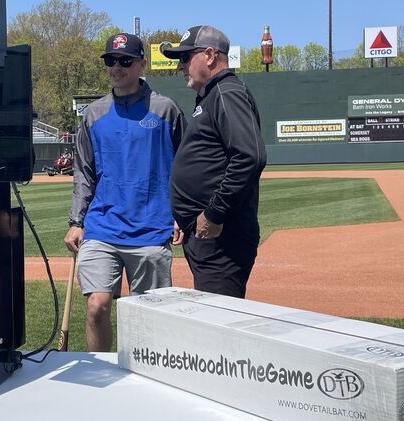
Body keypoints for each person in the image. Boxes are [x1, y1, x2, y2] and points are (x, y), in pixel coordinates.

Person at [64, 33, 185, 352]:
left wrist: (180, 215)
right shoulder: (93, 114)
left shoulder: (166, 110)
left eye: (125, 61)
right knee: (97, 306)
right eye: (110, 61)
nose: (116, 67)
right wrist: (76, 221)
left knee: (149, 317)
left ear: (142, 64)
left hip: (151, 229)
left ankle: (146, 382)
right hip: (102, 227)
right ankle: (102, 377)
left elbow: (185, 167)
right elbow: (84, 172)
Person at [162, 25, 267, 299]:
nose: (180, 67)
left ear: (210, 55)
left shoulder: (226, 92)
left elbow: (249, 156)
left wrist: (213, 214)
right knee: (215, 318)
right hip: (208, 236)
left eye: (185, 58)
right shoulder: (211, 95)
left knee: (219, 324)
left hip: (221, 238)